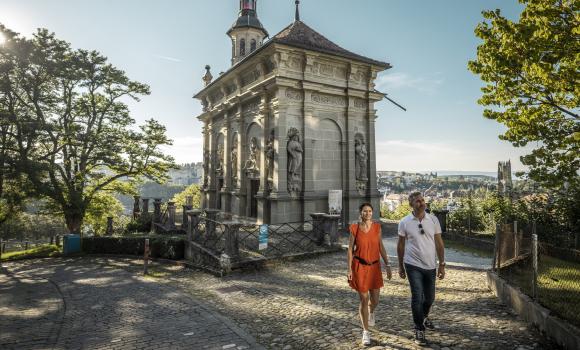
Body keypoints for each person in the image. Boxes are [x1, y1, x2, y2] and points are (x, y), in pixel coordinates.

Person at [397, 192, 446, 345]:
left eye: (422, 200)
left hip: (430, 265)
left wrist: (442, 264)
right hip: (412, 264)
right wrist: (400, 266)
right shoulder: (404, 222)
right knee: (417, 296)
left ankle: (423, 317)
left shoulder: (433, 219)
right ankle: (419, 328)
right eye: (418, 201)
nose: (421, 203)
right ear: (411, 204)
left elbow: (439, 243)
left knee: (430, 298)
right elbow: (400, 245)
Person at [347, 202, 392, 346]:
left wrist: (388, 264)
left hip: (374, 267)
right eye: (365, 211)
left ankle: (371, 312)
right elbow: (349, 250)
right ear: (360, 213)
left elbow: (381, 247)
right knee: (364, 300)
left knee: (375, 300)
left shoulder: (377, 228)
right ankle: (365, 332)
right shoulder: (354, 228)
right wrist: (349, 269)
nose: (367, 213)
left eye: (370, 211)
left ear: (372, 213)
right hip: (359, 266)